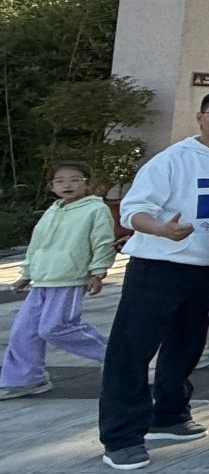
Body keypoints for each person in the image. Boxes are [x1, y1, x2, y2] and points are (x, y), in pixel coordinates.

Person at [98, 88, 209, 471]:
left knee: (187, 346)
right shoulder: (172, 159)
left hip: (206, 269)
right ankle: (121, 437)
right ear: (200, 117)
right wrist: (161, 230)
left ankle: (169, 415)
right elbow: (133, 210)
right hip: (158, 267)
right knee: (133, 350)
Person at [1, 162, 114, 400]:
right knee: (24, 332)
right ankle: (26, 379)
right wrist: (26, 274)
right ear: (51, 187)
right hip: (43, 279)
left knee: (55, 328)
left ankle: (118, 357)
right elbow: (37, 245)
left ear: (87, 184)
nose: (67, 185)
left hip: (69, 279)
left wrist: (98, 272)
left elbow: (103, 242)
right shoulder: (52, 210)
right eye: (60, 181)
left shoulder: (95, 209)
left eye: (74, 179)